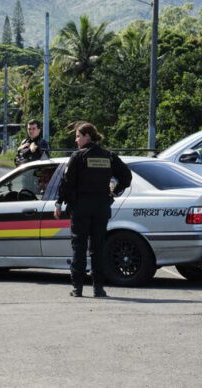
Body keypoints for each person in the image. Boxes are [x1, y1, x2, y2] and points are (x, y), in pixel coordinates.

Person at [54, 122, 131, 298]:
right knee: (98, 248)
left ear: (88, 136)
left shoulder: (78, 157)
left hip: (81, 208)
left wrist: (59, 203)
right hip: (101, 208)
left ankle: (77, 288)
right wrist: (115, 190)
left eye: (78, 136)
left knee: (79, 247)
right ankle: (98, 288)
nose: (76, 140)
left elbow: (67, 183)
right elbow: (126, 176)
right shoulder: (108, 156)